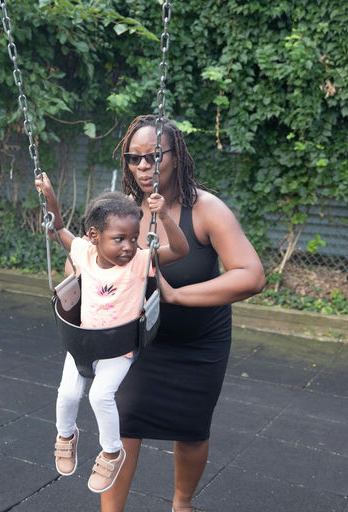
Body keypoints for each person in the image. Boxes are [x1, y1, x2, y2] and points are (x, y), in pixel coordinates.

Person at [101, 115, 266, 512]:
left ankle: (182, 504)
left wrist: (176, 296)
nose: (143, 167)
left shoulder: (206, 208)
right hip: (142, 343)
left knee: (191, 430)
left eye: (153, 156)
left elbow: (252, 275)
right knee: (121, 426)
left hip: (199, 344)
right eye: (134, 159)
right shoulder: (125, 214)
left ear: (176, 156)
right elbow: (95, 263)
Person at [34, 172, 189, 494]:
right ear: (94, 236)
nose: (129, 246)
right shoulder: (82, 253)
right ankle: (66, 435)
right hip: (83, 341)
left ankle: (112, 451)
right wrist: (49, 195)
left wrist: (162, 217)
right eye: (119, 239)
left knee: (99, 395)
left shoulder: (140, 261)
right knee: (67, 394)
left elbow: (180, 249)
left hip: (120, 346)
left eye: (134, 238)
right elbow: (56, 228)